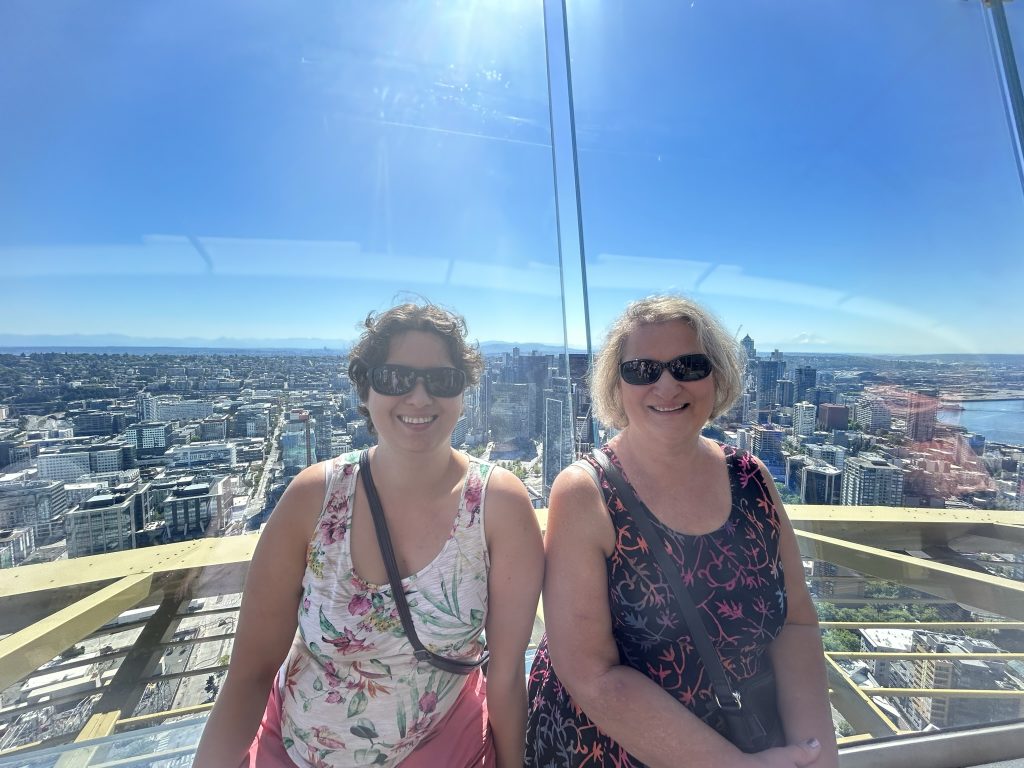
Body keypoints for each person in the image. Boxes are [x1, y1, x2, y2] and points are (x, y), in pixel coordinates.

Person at [195, 302, 544, 768]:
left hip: (444, 749)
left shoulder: (499, 506)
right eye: (396, 379)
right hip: (297, 752)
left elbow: (504, 677)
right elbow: (250, 674)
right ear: (366, 388)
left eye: (441, 380)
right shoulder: (314, 498)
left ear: (464, 393)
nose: (419, 398)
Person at [525, 295, 838, 768]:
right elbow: (593, 676)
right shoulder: (585, 493)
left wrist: (817, 754)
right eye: (643, 370)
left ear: (717, 377)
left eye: (689, 366)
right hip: (609, 752)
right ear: (617, 384)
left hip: (749, 736)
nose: (667, 385)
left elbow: (795, 623)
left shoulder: (751, 478)